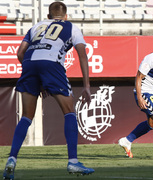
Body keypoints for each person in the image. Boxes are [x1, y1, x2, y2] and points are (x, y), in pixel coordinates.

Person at [3, 2, 94, 179]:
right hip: (51, 63)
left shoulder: (37, 26)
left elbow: (20, 53)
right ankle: (73, 162)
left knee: (26, 116)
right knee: (69, 112)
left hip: (29, 63)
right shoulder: (72, 27)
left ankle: (12, 159)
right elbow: (82, 55)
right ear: (65, 16)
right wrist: (87, 86)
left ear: (49, 15)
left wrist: (37, 76)